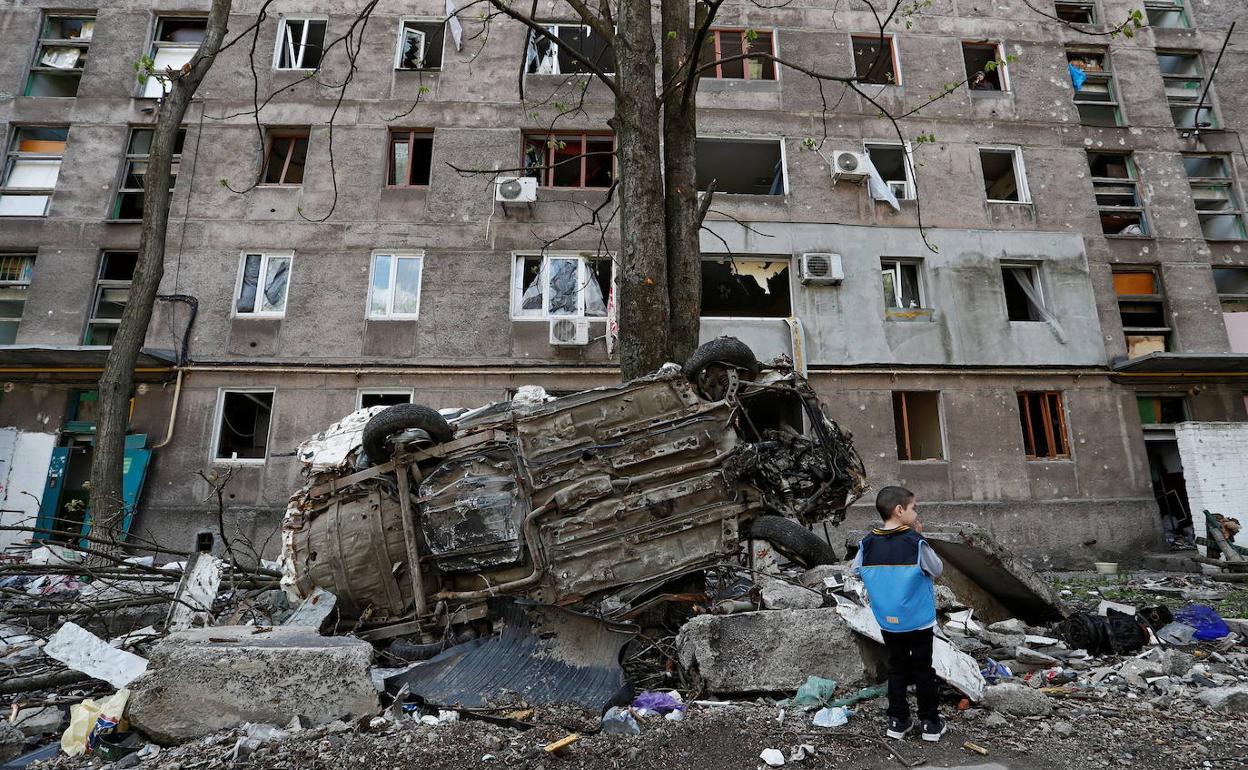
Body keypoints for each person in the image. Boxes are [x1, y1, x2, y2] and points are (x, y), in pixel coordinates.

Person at [850, 486, 945, 742]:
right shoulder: (915, 541)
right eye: (914, 508)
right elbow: (936, 569)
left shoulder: (867, 543)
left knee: (897, 669)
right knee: (924, 669)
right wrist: (920, 538)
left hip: (888, 620)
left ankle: (897, 721)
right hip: (918, 619)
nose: (916, 513)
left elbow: (855, 571)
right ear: (899, 510)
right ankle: (930, 724)